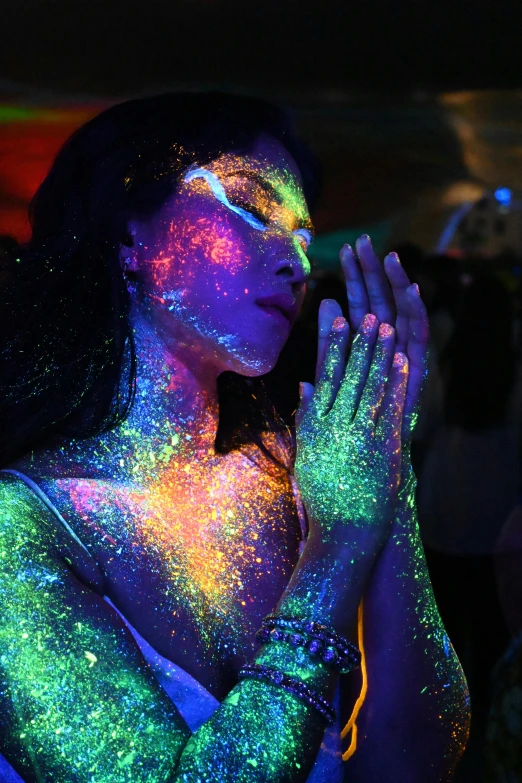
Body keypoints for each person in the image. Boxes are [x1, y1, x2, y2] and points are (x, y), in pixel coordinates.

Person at [0, 92, 469, 783]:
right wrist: (336, 547)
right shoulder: (24, 524)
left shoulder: (300, 471)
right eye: (252, 206)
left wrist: (386, 470)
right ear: (129, 233)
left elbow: (416, 760)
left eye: (306, 240)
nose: (298, 265)